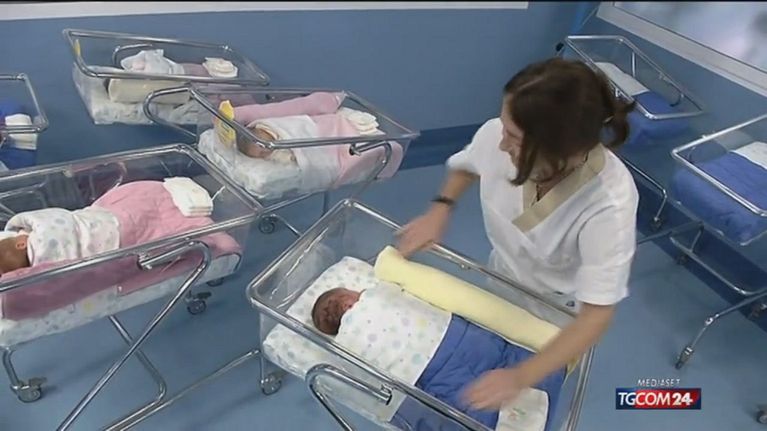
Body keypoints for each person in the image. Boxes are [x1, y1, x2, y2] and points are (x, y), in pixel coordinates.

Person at [396, 57, 639, 411]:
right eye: (505, 126)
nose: (500, 143)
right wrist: (440, 208)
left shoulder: (609, 204)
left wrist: (520, 376)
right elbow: (469, 166)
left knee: (531, 386)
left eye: (514, 138)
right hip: (503, 275)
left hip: (555, 310)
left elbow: (596, 315)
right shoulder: (497, 135)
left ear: (561, 150)